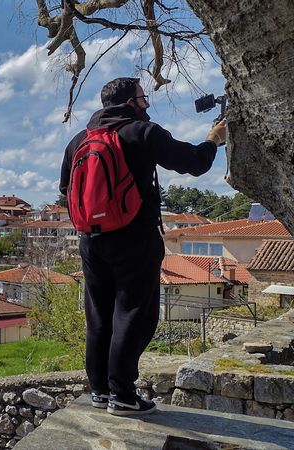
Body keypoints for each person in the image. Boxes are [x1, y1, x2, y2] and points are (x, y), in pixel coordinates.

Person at [59, 77, 227, 416]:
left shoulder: (79, 140)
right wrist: (213, 140)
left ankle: (101, 391)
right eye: (143, 98)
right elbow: (194, 163)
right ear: (132, 102)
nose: (147, 104)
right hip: (134, 238)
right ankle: (122, 394)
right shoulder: (142, 132)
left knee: (99, 315)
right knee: (135, 313)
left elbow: (65, 189)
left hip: (90, 241)